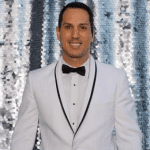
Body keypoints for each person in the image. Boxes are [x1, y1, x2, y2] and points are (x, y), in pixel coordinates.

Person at [10, 2, 142, 150]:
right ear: (58, 33)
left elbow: (130, 139)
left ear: (92, 34)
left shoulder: (116, 79)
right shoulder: (36, 81)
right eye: (68, 27)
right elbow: (22, 141)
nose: (75, 35)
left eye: (83, 28)